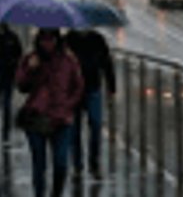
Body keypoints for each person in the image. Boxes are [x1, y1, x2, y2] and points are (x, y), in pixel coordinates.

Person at [16, 28, 85, 197]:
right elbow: (21, 86)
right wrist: (31, 69)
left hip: (61, 119)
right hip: (36, 117)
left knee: (61, 162)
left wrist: (68, 106)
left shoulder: (68, 60)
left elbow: (79, 86)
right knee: (39, 165)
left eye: (51, 39)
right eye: (44, 40)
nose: (47, 44)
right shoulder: (31, 59)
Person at [64, 29, 116, 177]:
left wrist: (111, 88)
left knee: (96, 124)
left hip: (93, 88)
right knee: (74, 129)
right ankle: (77, 165)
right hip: (73, 90)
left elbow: (107, 63)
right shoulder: (68, 40)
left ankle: (94, 163)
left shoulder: (97, 39)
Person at [0, 23, 23, 139]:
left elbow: (18, 53)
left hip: (8, 74)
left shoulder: (12, 38)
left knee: (6, 102)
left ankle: (5, 128)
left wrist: (13, 63)